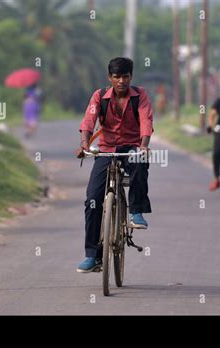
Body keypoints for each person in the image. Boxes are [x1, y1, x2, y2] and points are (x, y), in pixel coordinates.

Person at [75, 57, 154, 273]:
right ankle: (93, 256)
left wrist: (144, 145)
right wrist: (84, 144)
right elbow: (88, 122)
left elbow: (146, 121)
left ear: (131, 77)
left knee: (139, 160)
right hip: (106, 149)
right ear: (110, 77)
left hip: (131, 146)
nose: (121, 81)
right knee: (92, 200)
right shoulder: (99, 96)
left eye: (125, 76)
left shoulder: (141, 95)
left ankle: (136, 212)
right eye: (117, 77)